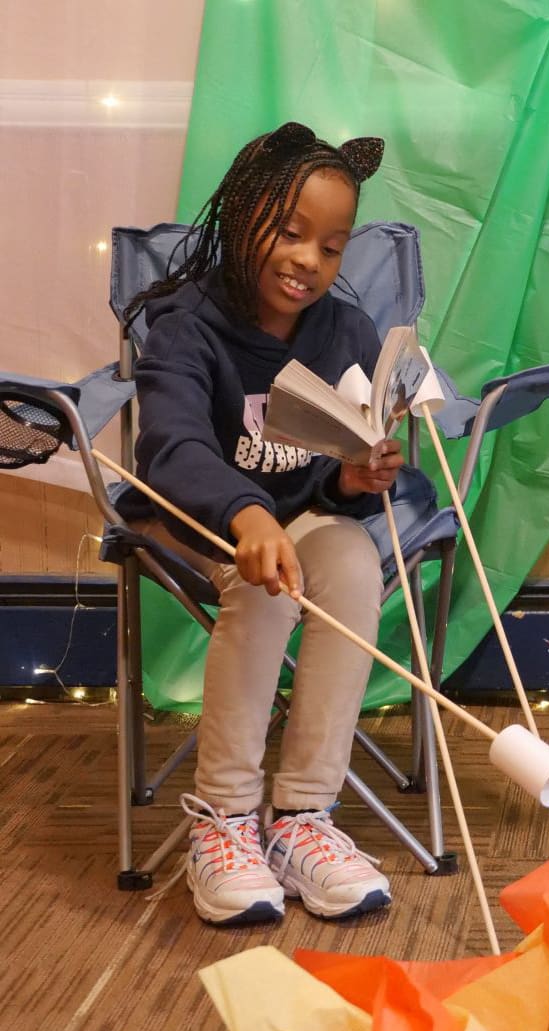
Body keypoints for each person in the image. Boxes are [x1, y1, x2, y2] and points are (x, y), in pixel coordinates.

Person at [119, 122, 424, 925]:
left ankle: (300, 818)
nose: (308, 261)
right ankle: (223, 821)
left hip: (297, 512)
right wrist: (248, 513)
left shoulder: (345, 333)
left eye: (330, 246)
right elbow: (172, 448)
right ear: (243, 216)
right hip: (199, 516)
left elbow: (332, 464)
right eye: (289, 233)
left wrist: (355, 476)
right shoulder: (187, 327)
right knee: (265, 588)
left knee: (354, 561)